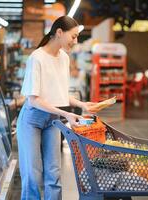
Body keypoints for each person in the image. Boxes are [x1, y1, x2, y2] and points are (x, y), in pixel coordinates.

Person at [17, 16, 99, 200]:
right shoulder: (36, 58)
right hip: (32, 119)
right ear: (59, 33)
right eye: (74, 36)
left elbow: (60, 94)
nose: (76, 41)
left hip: (52, 119)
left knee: (54, 174)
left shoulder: (64, 58)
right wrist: (65, 113)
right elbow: (34, 100)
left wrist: (81, 104)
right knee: (32, 174)